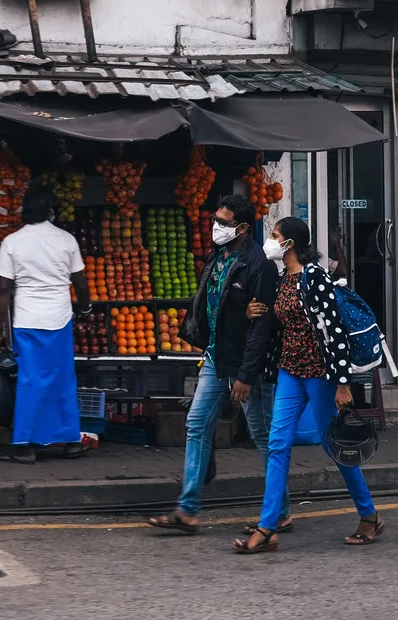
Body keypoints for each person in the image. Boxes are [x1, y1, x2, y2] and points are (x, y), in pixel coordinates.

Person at [233, 217, 384, 554]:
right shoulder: (279, 276)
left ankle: (369, 515)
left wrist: (343, 383)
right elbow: (277, 323)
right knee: (276, 444)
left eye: (274, 236)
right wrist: (254, 311)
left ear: (290, 244)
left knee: (335, 447)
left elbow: (335, 331)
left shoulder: (314, 277)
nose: (269, 241)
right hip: (289, 371)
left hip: (318, 374)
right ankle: (268, 526)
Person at [148, 194, 291, 534]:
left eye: (224, 223)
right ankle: (187, 510)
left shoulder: (259, 265)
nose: (217, 227)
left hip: (245, 365)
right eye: (216, 220)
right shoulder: (218, 256)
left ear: (242, 228)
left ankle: (281, 510)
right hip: (216, 357)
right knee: (197, 424)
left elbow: (262, 327)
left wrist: (246, 375)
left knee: (260, 434)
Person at [0, 185, 91, 465]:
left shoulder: (12, 241)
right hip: (59, 318)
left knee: (31, 381)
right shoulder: (66, 239)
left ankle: (26, 446)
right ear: (51, 211)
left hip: (27, 319)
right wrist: (85, 307)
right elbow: (81, 283)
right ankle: (70, 442)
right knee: (63, 379)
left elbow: (2, 291)